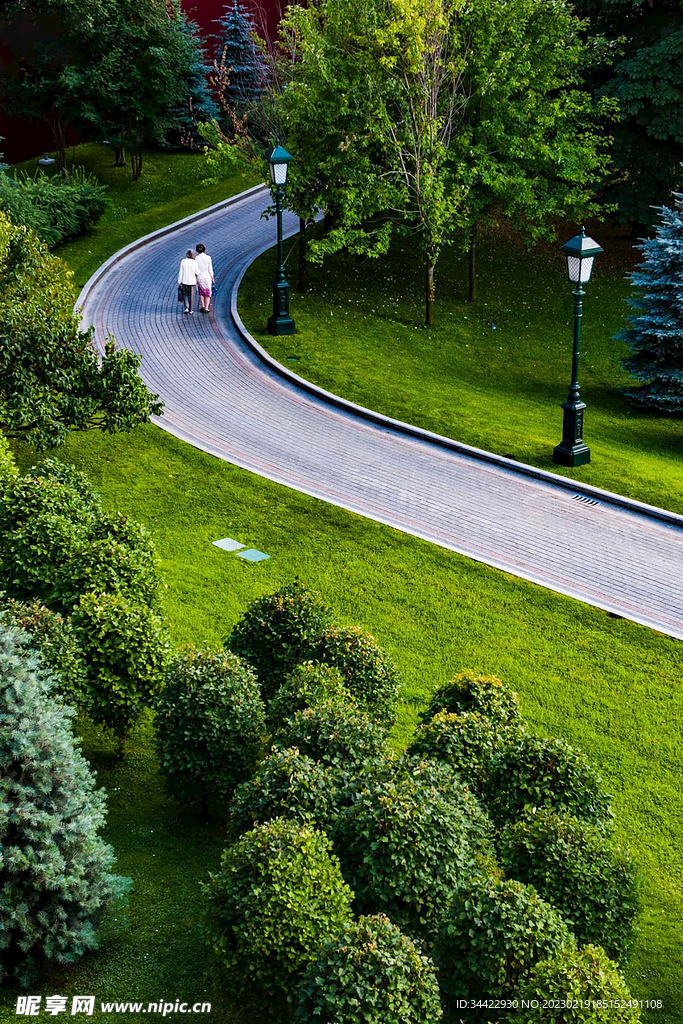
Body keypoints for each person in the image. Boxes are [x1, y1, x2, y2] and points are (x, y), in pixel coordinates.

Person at [195, 242, 215, 314]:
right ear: (204, 249)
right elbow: (210, 269)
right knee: (207, 292)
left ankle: (203, 306)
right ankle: (207, 308)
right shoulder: (208, 258)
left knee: (201, 292)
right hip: (206, 276)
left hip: (199, 277)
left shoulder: (196, 258)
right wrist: (212, 277)